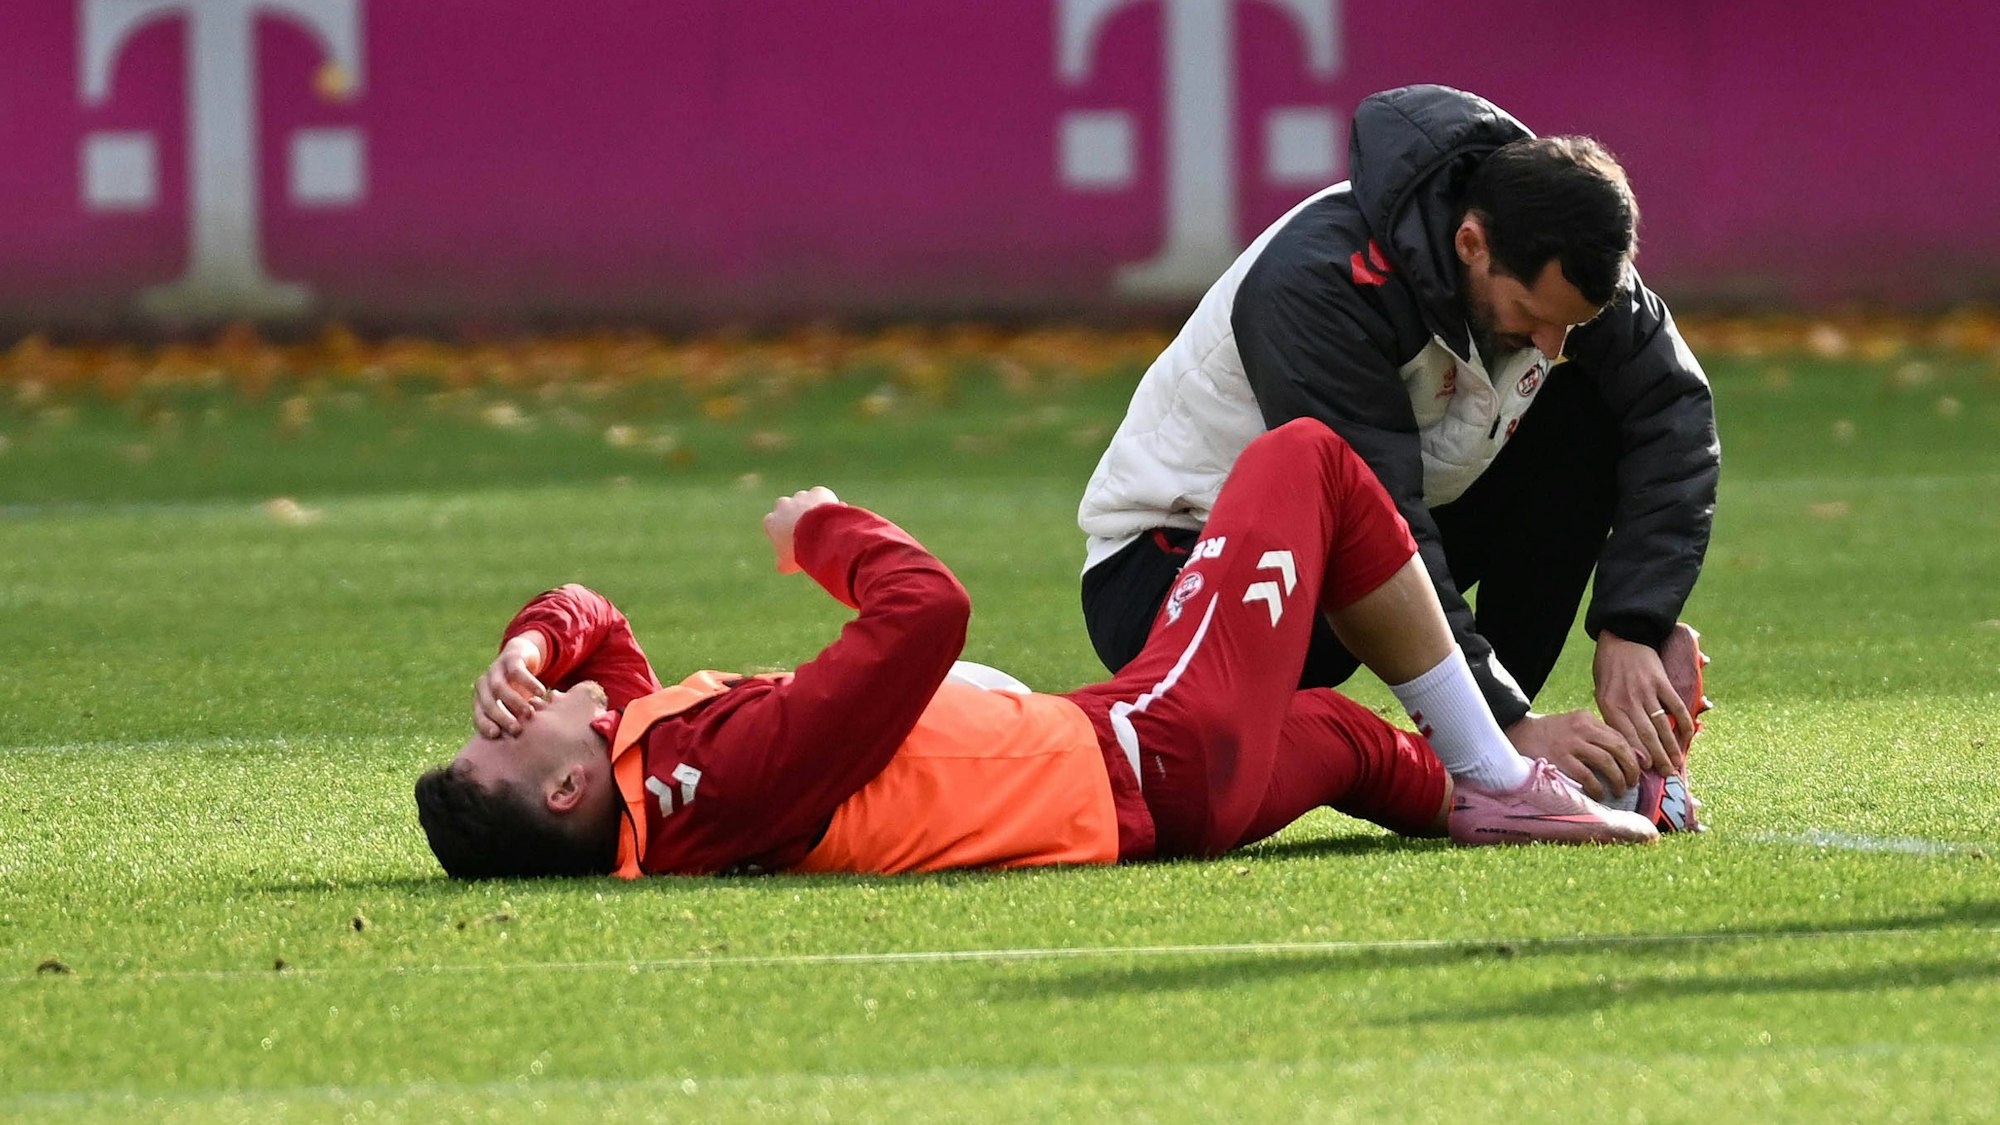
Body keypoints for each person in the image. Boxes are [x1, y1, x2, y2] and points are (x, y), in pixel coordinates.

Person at [414, 420, 1664, 882]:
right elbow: (925, 613)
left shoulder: (648, 782)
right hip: (1142, 746)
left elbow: (600, 628)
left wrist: (531, 637)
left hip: (1161, 803)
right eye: (504, 734)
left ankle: (1538, 795)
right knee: (1303, 461)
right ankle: (1502, 774)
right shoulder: (727, 774)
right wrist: (824, 533)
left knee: (1342, 741)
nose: (511, 703)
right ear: (569, 786)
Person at [1077, 84, 1719, 808]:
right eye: (1534, 316)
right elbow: (1379, 519)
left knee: (1587, 411)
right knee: (1224, 780)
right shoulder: (1318, 283)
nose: (1554, 343)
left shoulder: (1558, 238)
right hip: (1171, 572)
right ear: (1470, 244)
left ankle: (1514, 761)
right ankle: (1496, 757)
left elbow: (1674, 408)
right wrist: (1502, 723)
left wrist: (1634, 622)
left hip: (1354, 563)